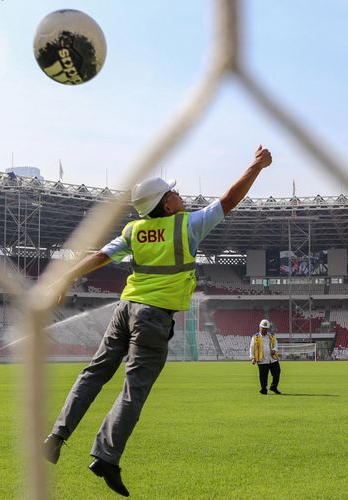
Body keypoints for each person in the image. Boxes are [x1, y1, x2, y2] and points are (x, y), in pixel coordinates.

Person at [43, 146, 273, 497]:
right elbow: (229, 200)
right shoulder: (187, 225)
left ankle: (57, 435)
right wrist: (256, 167)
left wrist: (64, 277)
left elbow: (100, 256)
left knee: (93, 373)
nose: (180, 195)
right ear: (167, 205)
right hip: (152, 318)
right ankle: (105, 457)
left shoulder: (134, 231)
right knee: (133, 391)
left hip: (125, 309)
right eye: (174, 192)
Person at [249, 319, 281, 395]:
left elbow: (276, 344)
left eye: (266, 329)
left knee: (277, 372)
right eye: (263, 328)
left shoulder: (272, 336)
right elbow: (252, 348)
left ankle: (273, 387)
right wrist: (252, 358)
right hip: (261, 359)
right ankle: (263, 389)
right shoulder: (255, 337)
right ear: (259, 327)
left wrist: (274, 349)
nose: (264, 330)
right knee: (263, 376)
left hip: (272, 359)